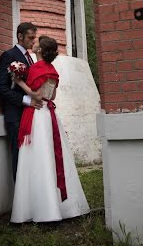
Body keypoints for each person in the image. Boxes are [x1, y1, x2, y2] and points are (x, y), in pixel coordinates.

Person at [10, 36, 90, 223]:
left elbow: (36, 95)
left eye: (37, 42)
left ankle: (41, 208)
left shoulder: (36, 69)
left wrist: (19, 81)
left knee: (39, 158)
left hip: (37, 116)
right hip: (49, 115)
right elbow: (50, 95)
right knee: (54, 157)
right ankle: (65, 207)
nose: (34, 43)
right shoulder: (52, 70)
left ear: (39, 50)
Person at [0, 22, 43, 180]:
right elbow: (2, 88)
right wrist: (26, 100)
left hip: (28, 115)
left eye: (34, 38)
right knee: (19, 156)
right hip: (15, 116)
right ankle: (20, 201)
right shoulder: (8, 56)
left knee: (29, 158)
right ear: (20, 36)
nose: (33, 41)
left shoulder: (29, 57)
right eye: (30, 38)